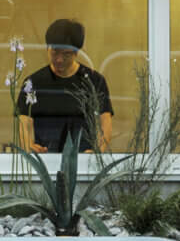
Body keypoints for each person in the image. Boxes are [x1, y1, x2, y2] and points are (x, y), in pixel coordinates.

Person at [15, 17, 112, 153]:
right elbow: (23, 121)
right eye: (54, 53)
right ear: (47, 49)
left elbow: (105, 122)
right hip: (45, 155)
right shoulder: (33, 83)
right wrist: (28, 145)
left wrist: (98, 152)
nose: (59, 59)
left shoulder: (94, 81)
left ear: (76, 52)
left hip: (83, 156)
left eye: (66, 54)